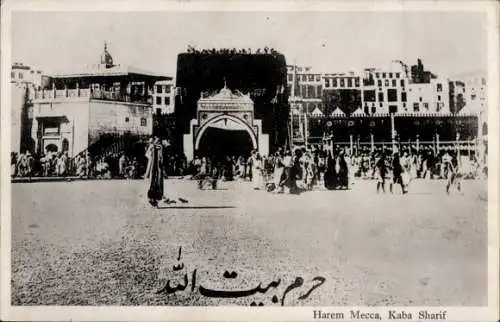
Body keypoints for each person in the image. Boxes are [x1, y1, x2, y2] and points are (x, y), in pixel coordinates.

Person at [147, 137, 164, 207]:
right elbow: (148, 155)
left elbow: (161, 157)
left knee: (158, 183)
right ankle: (151, 199)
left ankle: (156, 200)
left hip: (158, 167)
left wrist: (160, 160)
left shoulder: (160, 147)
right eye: (157, 140)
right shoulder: (151, 147)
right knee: (152, 182)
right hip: (153, 167)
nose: (158, 141)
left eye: (159, 140)